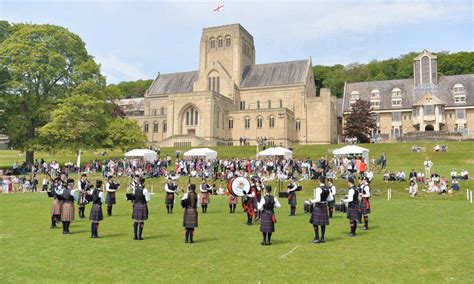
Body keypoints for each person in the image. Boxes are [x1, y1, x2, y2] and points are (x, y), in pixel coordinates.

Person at [309, 177, 330, 243]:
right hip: (324, 206)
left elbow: (318, 199)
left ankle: (317, 238)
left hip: (318, 206)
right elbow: (330, 198)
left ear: (319, 181)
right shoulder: (327, 188)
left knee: (315, 223)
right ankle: (322, 238)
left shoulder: (318, 189)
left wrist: (311, 201)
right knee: (323, 223)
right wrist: (325, 200)